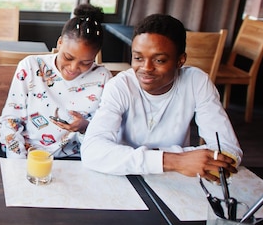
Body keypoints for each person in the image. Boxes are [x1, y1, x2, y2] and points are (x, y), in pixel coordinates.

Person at [81, 14, 242, 180]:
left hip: (174, 179)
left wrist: (160, 161)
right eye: (138, 58)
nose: (146, 68)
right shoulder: (120, 86)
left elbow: (229, 152)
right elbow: (92, 152)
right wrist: (176, 160)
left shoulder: (196, 82)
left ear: (180, 60)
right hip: (126, 177)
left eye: (159, 60)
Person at [0, 4, 111, 159]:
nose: (73, 68)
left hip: (75, 159)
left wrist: (85, 127)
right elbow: (10, 121)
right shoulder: (31, 66)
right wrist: (18, 162)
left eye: (86, 63)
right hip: (28, 155)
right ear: (59, 42)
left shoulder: (103, 78)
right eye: (68, 57)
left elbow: (106, 133)